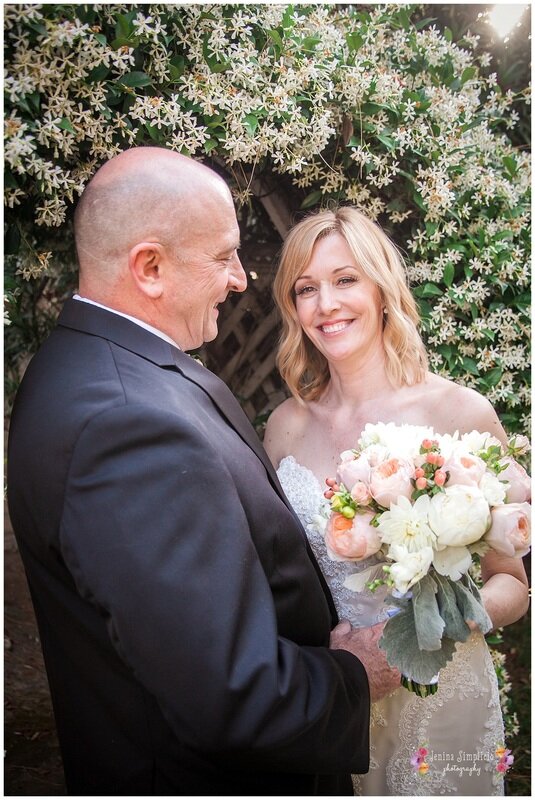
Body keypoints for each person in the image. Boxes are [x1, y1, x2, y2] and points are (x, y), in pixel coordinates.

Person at [7, 148, 402, 796]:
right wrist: (356, 676)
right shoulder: (124, 421)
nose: (242, 279)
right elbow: (229, 694)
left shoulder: (88, 367)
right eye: (223, 256)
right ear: (150, 268)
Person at [264, 206, 530, 796]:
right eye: (306, 289)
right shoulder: (283, 426)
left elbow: (512, 586)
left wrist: (420, 637)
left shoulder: (458, 413)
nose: (326, 304)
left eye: (345, 279)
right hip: (333, 697)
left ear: (382, 288)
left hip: (443, 699)